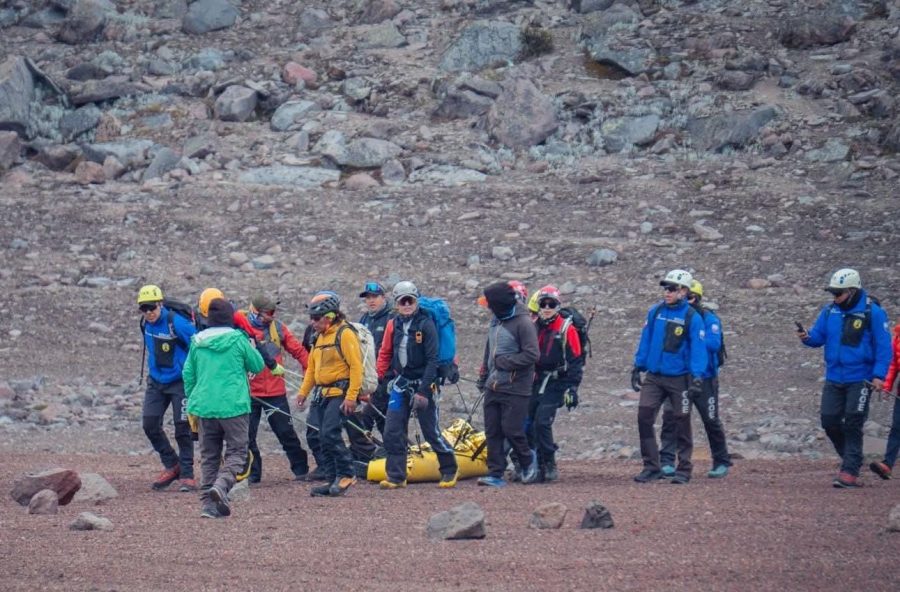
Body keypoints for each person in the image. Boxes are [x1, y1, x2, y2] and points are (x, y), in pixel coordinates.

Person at [798, 268, 892, 488]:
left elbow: (884, 347)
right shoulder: (829, 311)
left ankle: (849, 470)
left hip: (861, 378)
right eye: (833, 292)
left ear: (852, 291)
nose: (835, 297)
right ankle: (852, 458)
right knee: (829, 421)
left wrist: (879, 375)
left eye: (838, 293)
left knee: (853, 421)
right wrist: (806, 337)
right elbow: (818, 337)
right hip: (834, 376)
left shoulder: (873, 313)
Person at [182, 298, 264, 518]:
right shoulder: (237, 340)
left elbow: (188, 374)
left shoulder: (197, 341)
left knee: (209, 456)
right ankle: (222, 484)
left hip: (205, 407)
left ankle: (208, 506)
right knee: (237, 452)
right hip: (233, 405)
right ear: (230, 317)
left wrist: (193, 399)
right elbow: (258, 365)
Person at [378, 281, 459, 489]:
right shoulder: (393, 324)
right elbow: (386, 352)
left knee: (431, 431)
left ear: (416, 301)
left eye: (410, 300)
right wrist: (380, 379)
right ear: (396, 304)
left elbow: (432, 360)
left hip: (424, 384)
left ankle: (449, 469)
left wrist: (423, 391)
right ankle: (396, 476)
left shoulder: (426, 324)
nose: (406, 304)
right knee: (392, 431)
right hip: (400, 384)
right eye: (402, 301)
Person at [630, 269, 708, 484]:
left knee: (681, 421)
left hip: (679, 378)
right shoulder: (655, 312)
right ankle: (651, 466)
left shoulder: (692, 317)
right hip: (654, 377)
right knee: (644, 417)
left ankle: (684, 469)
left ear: (684, 291)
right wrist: (638, 366)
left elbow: (698, 349)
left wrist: (697, 377)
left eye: (672, 289)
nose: (667, 292)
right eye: (666, 288)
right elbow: (646, 339)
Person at [659, 279, 732, 478]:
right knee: (671, 417)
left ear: (697, 298)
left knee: (710, 419)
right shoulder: (674, 316)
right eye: (684, 296)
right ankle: (666, 461)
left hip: (705, 377)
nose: (687, 300)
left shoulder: (708, 318)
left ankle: (721, 460)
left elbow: (714, 344)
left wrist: (693, 336)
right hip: (678, 377)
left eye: (690, 297)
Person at [237, 294, 311, 484]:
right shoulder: (239, 330)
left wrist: (311, 373)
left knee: (286, 433)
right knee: (247, 435)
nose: (272, 316)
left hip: (275, 392)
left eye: (273, 312)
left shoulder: (278, 328)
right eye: (268, 312)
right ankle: (253, 474)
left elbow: (299, 351)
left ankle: (301, 470)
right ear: (255, 312)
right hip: (249, 392)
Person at [296, 291, 361, 497]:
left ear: (330, 316)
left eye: (316, 318)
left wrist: (351, 397)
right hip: (322, 394)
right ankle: (332, 479)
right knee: (320, 435)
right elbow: (312, 369)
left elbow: (356, 367)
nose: (312, 322)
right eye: (311, 318)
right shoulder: (318, 337)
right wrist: (303, 393)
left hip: (340, 392)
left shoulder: (345, 333)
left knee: (330, 433)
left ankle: (347, 473)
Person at [476, 281, 540, 487]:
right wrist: (484, 375)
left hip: (516, 387)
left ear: (498, 304)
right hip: (493, 385)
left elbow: (532, 355)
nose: (487, 307)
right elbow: (489, 350)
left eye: (489, 303)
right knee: (492, 431)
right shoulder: (496, 320)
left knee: (512, 430)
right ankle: (495, 473)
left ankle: (528, 461)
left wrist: (506, 363)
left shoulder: (523, 323)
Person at [137, 284, 197, 492]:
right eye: (143, 308)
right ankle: (172, 464)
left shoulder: (176, 322)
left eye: (151, 307)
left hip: (180, 382)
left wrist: (193, 373)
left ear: (160, 304)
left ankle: (187, 475)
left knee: (182, 428)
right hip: (156, 381)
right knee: (149, 424)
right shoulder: (145, 323)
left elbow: (197, 344)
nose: (148, 312)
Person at [528, 285, 583, 482]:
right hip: (536, 381)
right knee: (528, 422)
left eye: (551, 304)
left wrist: (572, 388)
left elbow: (576, 360)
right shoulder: (534, 326)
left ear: (557, 306)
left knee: (542, 421)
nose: (547, 308)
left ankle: (549, 463)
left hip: (557, 382)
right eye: (543, 304)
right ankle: (534, 464)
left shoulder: (566, 329)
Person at [345, 281, 393, 469]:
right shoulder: (364, 320)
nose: (371, 301)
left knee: (371, 416)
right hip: (370, 378)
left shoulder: (391, 318)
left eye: (375, 297)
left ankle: (370, 453)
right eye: (368, 298)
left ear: (384, 297)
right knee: (380, 418)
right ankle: (381, 454)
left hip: (388, 378)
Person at [870, 322, 900, 480]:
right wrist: (887, 384)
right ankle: (887, 465)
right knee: (897, 428)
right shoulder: (898, 336)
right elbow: (894, 363)